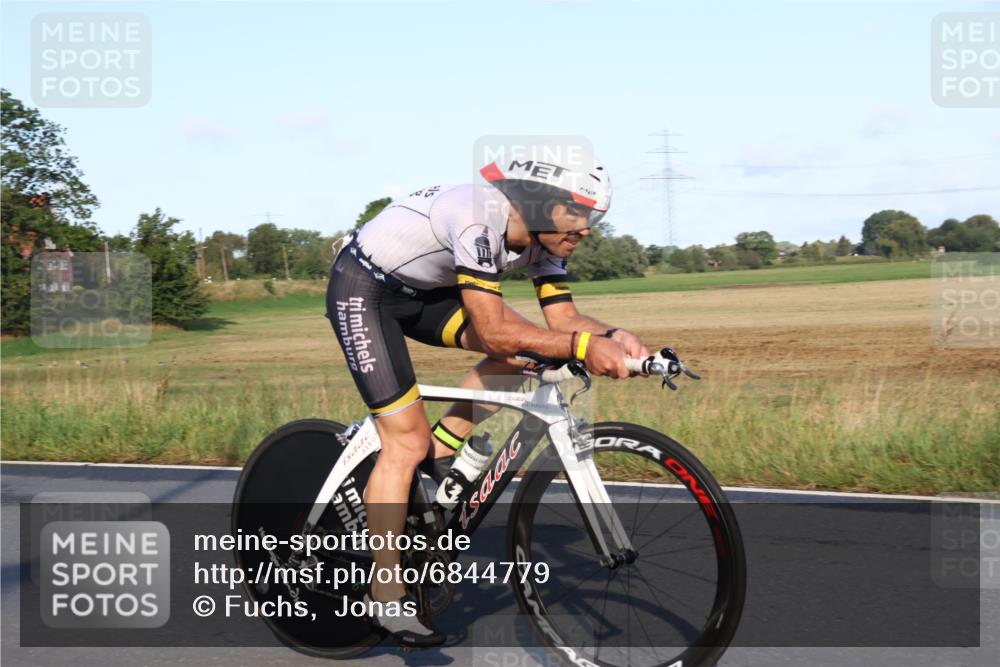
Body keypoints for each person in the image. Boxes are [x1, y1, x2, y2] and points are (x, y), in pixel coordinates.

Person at [325, 146, 650, 647]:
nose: (586, 228)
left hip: (424, 295)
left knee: (530, 354)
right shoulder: (479, 219)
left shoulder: (545, 241)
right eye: (579, 213)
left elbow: (562, 323)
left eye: (593, 215)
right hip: (365, 289)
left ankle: (442, 451)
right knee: (403, 443)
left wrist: (616, 335)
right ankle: (385, 594)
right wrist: (585, 347)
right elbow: (496, 333)